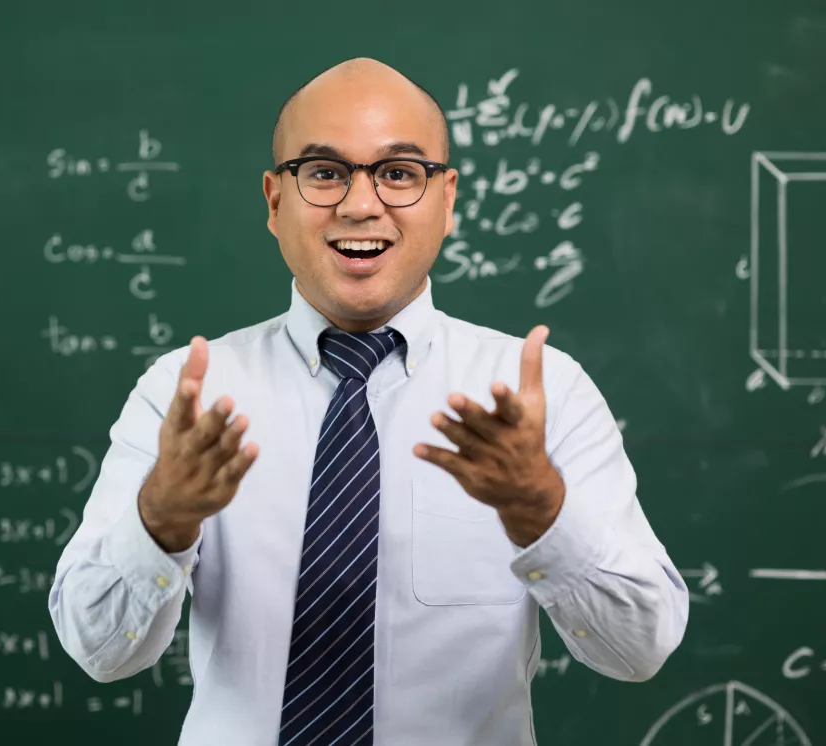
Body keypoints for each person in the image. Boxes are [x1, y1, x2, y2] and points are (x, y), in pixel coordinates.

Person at [49, 57, 689, 746]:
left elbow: (637, 651)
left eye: (398, 173)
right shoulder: (187, 395)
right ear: (274, 201)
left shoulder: (542, 394)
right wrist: (161, 521)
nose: (360, 204)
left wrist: (542, 509)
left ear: (447, 201)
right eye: (323, 172)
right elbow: (100, 652)